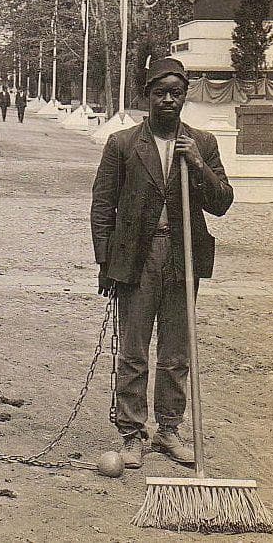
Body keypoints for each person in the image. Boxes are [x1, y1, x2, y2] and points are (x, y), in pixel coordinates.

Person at [90, 58, 233, 469]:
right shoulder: (122, 143)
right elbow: (103, 207)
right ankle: (132, 434)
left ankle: (168, 430)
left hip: (183, 255)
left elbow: (222, 203)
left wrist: (199, 166)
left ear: (185, 96)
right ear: (147, 96)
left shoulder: (202, 143)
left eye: (176, 93)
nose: (168, 100)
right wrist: (106, 263)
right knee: (133, 350)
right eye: (160, 92)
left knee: (176, 352)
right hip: (137, 256)